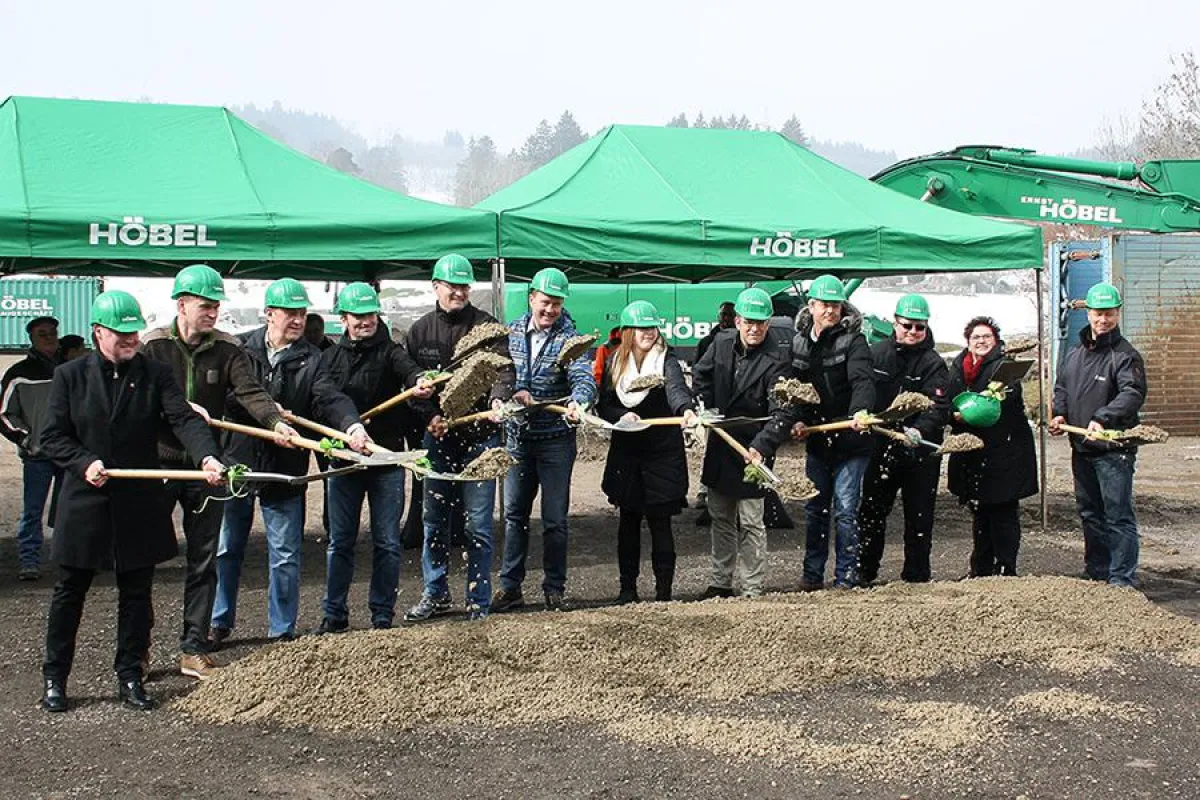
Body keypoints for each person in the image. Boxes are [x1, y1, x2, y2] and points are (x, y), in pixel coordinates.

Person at [38, 291, 224, 713]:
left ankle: (130, 675)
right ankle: (55, 677)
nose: (131, 339)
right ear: (98, 332)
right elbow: (51, 437)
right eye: (121, 333)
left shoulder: (155, 374)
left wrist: (207, 456)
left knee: (137, 595)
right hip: (85, 500)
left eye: (134, 332)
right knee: (70, 592)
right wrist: (83, 462)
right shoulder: (70, 376)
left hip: (138, 502)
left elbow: (181, 419)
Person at [141, 264, 298, 680]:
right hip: (159, 462)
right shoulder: (152, 347)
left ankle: (194, 647)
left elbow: (250, 392)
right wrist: (170, 409)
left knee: (204, 557)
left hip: (207, 466)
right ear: (181, 305)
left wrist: (275, 424)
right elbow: (134, 402)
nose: (212, 313)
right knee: (143, 558)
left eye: (215, 306)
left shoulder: (228, 349)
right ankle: (137, 650)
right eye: (205, 306)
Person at [211, 279, 368, 645]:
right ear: (269, 314)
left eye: (302, 314)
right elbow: (228, 397)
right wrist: (266, 412)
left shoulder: (312, 358)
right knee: (227, 548)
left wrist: (353, 426)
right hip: (240, 461)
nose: (297, 320)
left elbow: (329, 397)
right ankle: (219, 621)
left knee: (284, 554)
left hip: (285, 469)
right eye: (290, 313)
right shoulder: (240, 349)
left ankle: (281, 630)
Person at [313, 282, 432, 633]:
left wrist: (420, 380)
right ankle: (334, 614)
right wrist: (350, 427)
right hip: (345, 460)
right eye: (358, 316)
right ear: (344, 319)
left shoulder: (390, 351)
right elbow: (326, 397)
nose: (365, 321)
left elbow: (409, 370)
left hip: (386, 459)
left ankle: (382, 615)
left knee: (387, 542)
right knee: (340, 541)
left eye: (370, 315)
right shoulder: (330, 359)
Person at [404, 254, 514, 622]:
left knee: (477, 523)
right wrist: (430, 416)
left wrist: (499, 398)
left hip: (480, 436)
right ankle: (435, 592)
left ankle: (477, 599)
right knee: (433, 519)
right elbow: (412, 384)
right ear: (436, 286)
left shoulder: (488, 327)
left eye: (464, 286)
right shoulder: (420, 332)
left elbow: (503, 370)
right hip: (438, 439)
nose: (459, 292)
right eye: (452, 286)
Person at [492, 268, 596, 613]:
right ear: (532, 298)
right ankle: (510, 587)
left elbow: (583, 376)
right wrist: (508, 394)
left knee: (555, 520)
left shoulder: (571, 339)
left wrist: (578, 402)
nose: (550, 310)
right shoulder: (511, 333)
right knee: (514, 515)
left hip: (555, 441)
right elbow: (500, 374)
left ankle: (554, 588)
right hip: (518, 439)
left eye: (556, 304)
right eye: (545, 302)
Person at [692, 288, 792, 599]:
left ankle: (752, 587)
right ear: (737, 321)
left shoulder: (778, 357)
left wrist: (763, 445)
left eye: (761, 323)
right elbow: (701, 376)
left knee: (751, 520)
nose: (755, 329)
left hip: (754, 447)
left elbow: (783, 409)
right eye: (749, 322)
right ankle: (721, 581)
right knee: (720, 515)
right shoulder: (720, 344)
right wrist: (705, 408)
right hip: (723, 441)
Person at [595, 300, 694, 603]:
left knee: (660, 522)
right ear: (628, 332)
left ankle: (664, 593)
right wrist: (619, 417)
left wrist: (686, 410)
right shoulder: (614, 362)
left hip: (662, 453)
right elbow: (605, 403)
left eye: (652, 327)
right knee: (628, 522)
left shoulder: (666, 360)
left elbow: (677, 389)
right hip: (627, 453)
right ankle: (628, 589)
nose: (648, 333)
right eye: (642, 328)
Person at [1050, 283, 1147, 587]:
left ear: (1117, 313)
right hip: (1082, 447)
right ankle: (1097, 572)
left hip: (1113, 449)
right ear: (1088, 313)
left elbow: (1133, 393)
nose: (1103, 320)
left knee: (1117, 515)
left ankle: (1121, 579)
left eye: (1109, 313)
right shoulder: (1075, 354)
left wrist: (1102, 419)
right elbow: (1062, 388)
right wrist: (1060, 413)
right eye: (1098, 313)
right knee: (1090, 513)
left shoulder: (1126, 355)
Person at [788, 275, 876, 591]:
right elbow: (794, 390)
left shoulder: (854, 341)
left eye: (836, 305)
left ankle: (845, 577)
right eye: (825, 305)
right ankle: (812, 576)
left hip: (852, 440)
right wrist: (797, 420)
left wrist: (860, 412)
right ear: (811, 306)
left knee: (846, 511)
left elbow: (862, 381)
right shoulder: (799, 343)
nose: (831, 311)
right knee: (815, 509)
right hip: (818, 439)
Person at [857, 294, 950, 586]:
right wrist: (862, 414)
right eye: (907, 325)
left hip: (919, 450)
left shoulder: (934, 363)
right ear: (895, 323)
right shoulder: (877, 354)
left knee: (919, 517)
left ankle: (916, 576)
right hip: (882, 446)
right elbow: (864, 391)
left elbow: (939, 407)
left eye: (919, 327)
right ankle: (865, 571)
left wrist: (920, 430)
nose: (912, 332)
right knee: (871, 511)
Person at [947, 316, 1037, 577]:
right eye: (976, 337)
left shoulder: (1005, 367)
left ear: (995, 340)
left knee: (1003, 512)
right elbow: (949, 399)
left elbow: (1007, 398)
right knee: (981, 511)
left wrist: (976, 409)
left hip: (1005, 451)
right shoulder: (959, 367)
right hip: (975, 453)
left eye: (987, 337)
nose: (981, 341)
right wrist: (952, 415)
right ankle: (981, 569)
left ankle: (1006, 569)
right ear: (968, 341)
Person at [1, 316, 64, 580]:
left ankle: (67, 559)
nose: (49, 338)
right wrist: (25, 439)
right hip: (36, 456)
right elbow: (5, 414)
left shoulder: (69, 369)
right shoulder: (18, 374)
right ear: (31, 339)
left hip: (67, 454)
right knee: (32, 511)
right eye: (43, 334)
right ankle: (29, 559)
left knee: (69, 510)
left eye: (52, 333)